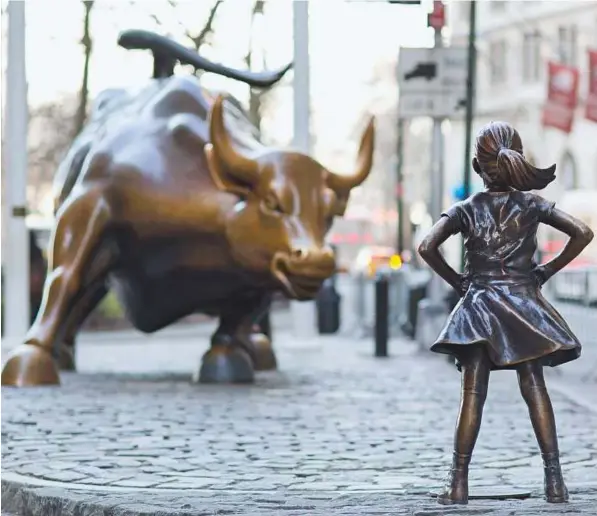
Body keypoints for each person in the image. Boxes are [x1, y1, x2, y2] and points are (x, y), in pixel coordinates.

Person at [418, 121, 594, 505]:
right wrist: (545, 271)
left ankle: (458, 484)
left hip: (478, 307)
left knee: (472, 396)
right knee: (535, 389)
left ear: (476, 166)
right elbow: (582, 232)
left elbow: (426, 246)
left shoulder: (465, 209)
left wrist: (459, 282)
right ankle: (555, 483)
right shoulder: (531, 205)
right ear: (515, 160)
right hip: (523, 306)